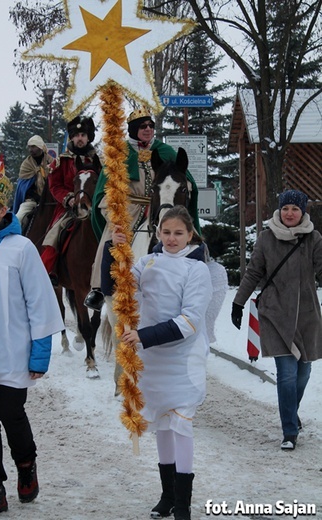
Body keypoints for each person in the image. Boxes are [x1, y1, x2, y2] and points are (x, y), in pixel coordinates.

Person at [103, 205, 212, 520]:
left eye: (178, 233)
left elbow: (190, 320)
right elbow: (122, 286)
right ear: (157, 233)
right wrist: (118, 249)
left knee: (181, 425)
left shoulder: (197, 270)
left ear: (190, 234)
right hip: (151, 360)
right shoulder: (148, 262)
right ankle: (166, 496)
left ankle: (183, 504)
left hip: (182, 360)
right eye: (166, 232)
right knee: (161, 424)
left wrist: (144, 336)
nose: (172, 239)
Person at [0, 169, 64, 518]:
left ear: (2, 210)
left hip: (12, 352)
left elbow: (40, 303)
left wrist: (40, 353)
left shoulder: (22, 249)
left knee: (10, 413)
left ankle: (26, 463)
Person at [84, 106, 201, 311]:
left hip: (161, 202)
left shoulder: (165, 151)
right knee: (113, 237)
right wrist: (114, 212)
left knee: (183, 233)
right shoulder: (119, 153)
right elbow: (104, 190)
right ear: (133, 129)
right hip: (128, 206)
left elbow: (183, 177)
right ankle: (100, 289)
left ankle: (198, 269)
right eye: (143, 126)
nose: (148, 129)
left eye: (151, 126)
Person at [231, 189, 322, 451]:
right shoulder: (266, 238)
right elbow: (253, 273)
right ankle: (289, 432)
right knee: (287, 374)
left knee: (303, 372)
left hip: (306, 315)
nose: (290, 213)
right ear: (279, 211)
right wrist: (238, 303)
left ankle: (291, 413)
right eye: (285, 209)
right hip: (275, 313)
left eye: (295, 209)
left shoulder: (313, 238)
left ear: (303, 211)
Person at [40, 115, 102, 285]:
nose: (80, 138)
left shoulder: (99, 161)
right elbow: (55, 186)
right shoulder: (61, 161)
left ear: (88, 137)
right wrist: (68, 199)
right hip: (68, 208)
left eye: (83, 135)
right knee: (54, 234)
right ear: (72, 137)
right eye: (76, 135)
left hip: (94, 206)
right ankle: (50, 271)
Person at [13, 135, 53, 225]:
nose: (31, 149)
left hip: (51, 200)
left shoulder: (51, 162)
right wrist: (37, 198)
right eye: (29, 147)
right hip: (32, 201)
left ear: (40, 147)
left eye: (33, 146)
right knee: (18, 218)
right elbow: (24, 188)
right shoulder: (26, 164)